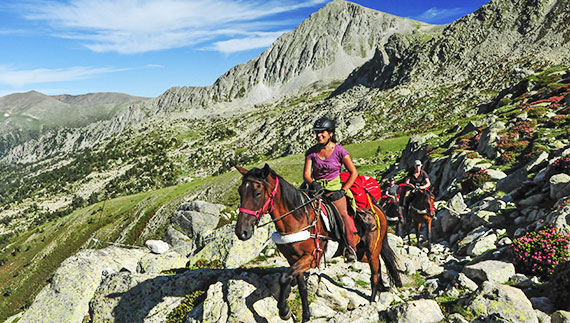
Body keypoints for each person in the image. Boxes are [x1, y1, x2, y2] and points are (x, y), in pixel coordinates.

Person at [304, 117, 358, 261]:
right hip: (316, 190)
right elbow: (306, 174)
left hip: (335, 190)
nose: (319, 135)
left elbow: (354, 173)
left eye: (322, 133)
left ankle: (350, 247)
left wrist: (343, 190)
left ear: (331, 134)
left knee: (343, 215)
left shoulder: (340, 151)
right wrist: (312, 183)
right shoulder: (311, 153)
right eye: (317, 133)